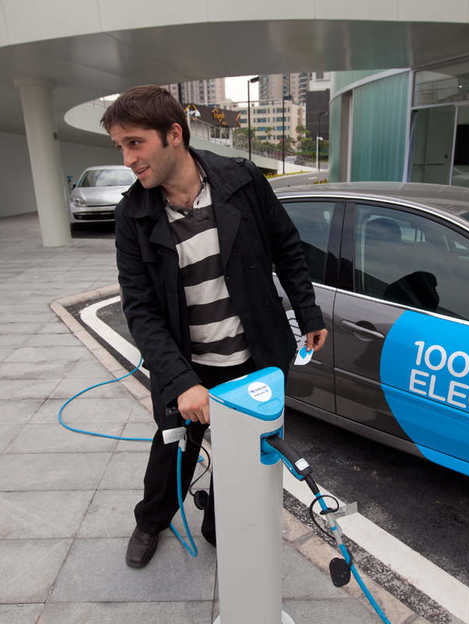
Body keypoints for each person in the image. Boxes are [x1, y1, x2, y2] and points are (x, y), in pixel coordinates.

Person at [102, 85, 328, 569]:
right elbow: (139, 309)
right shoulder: (133, 215)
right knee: (173, 456)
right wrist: (183, 382)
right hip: (187, 368)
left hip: (252, 360)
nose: (127, 159)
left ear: (173, 135)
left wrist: (308, 312)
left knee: (243, 456)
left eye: (135, 143)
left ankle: (218, 521)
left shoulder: (240, 180)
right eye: (120, 146)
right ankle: (151, 521)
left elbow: (287, 245)